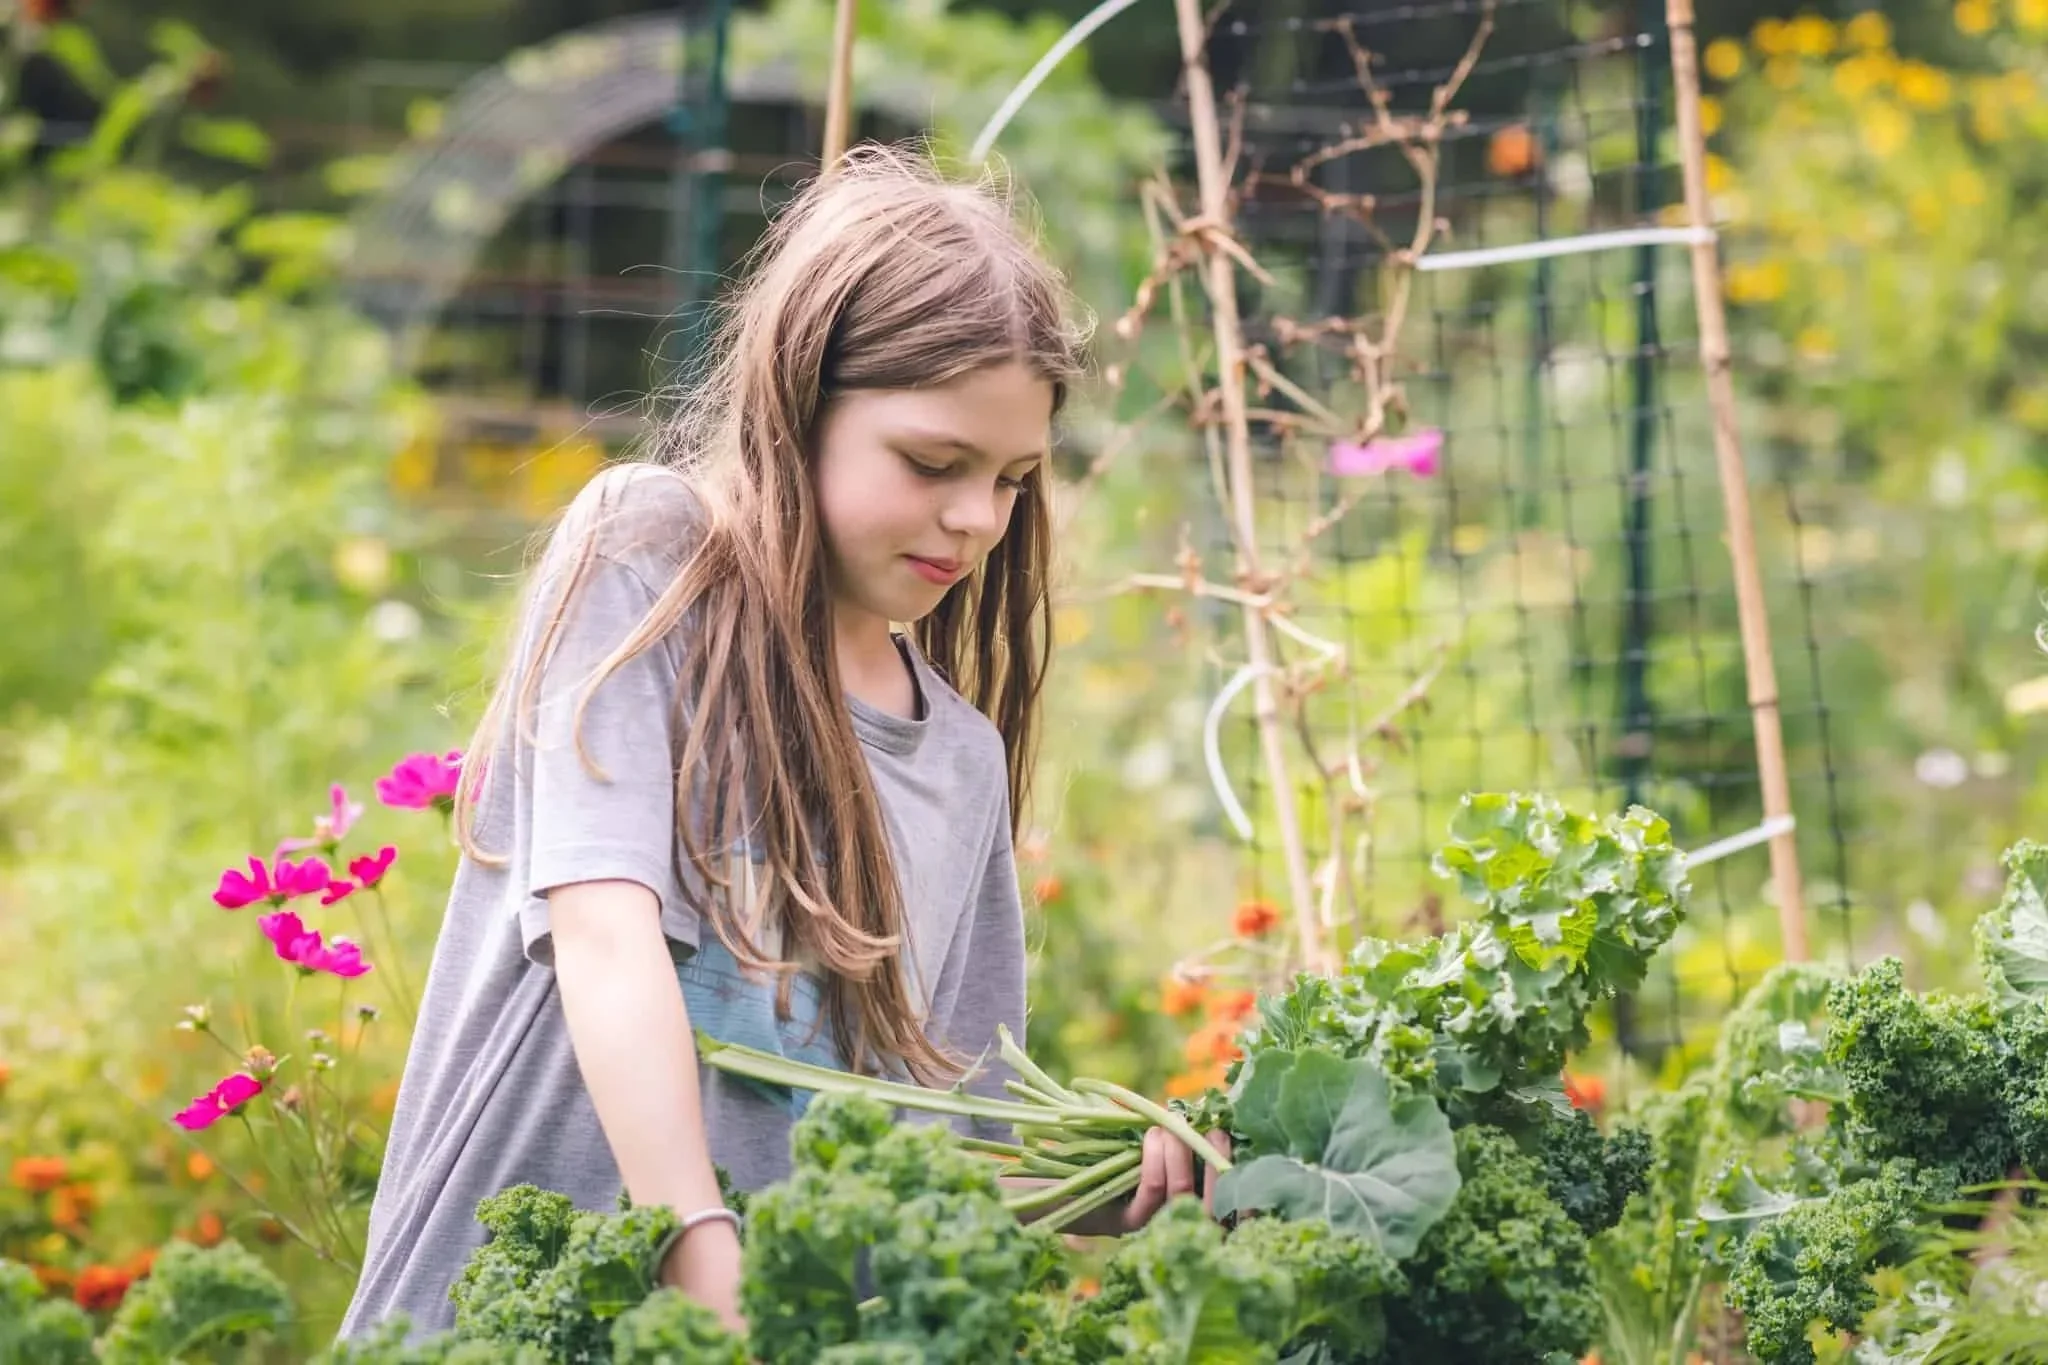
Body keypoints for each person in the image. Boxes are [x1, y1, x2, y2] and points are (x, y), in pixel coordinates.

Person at [338, 145, 1220, 1342]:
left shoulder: (957, 761)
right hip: (494, 1322)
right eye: (932, 462)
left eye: (1014, 479)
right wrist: (702, 1253)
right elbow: (603, 935)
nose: (976, 517)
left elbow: (940, 1146)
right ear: (800, 401)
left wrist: (1118, 1183)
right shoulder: (651, 563)